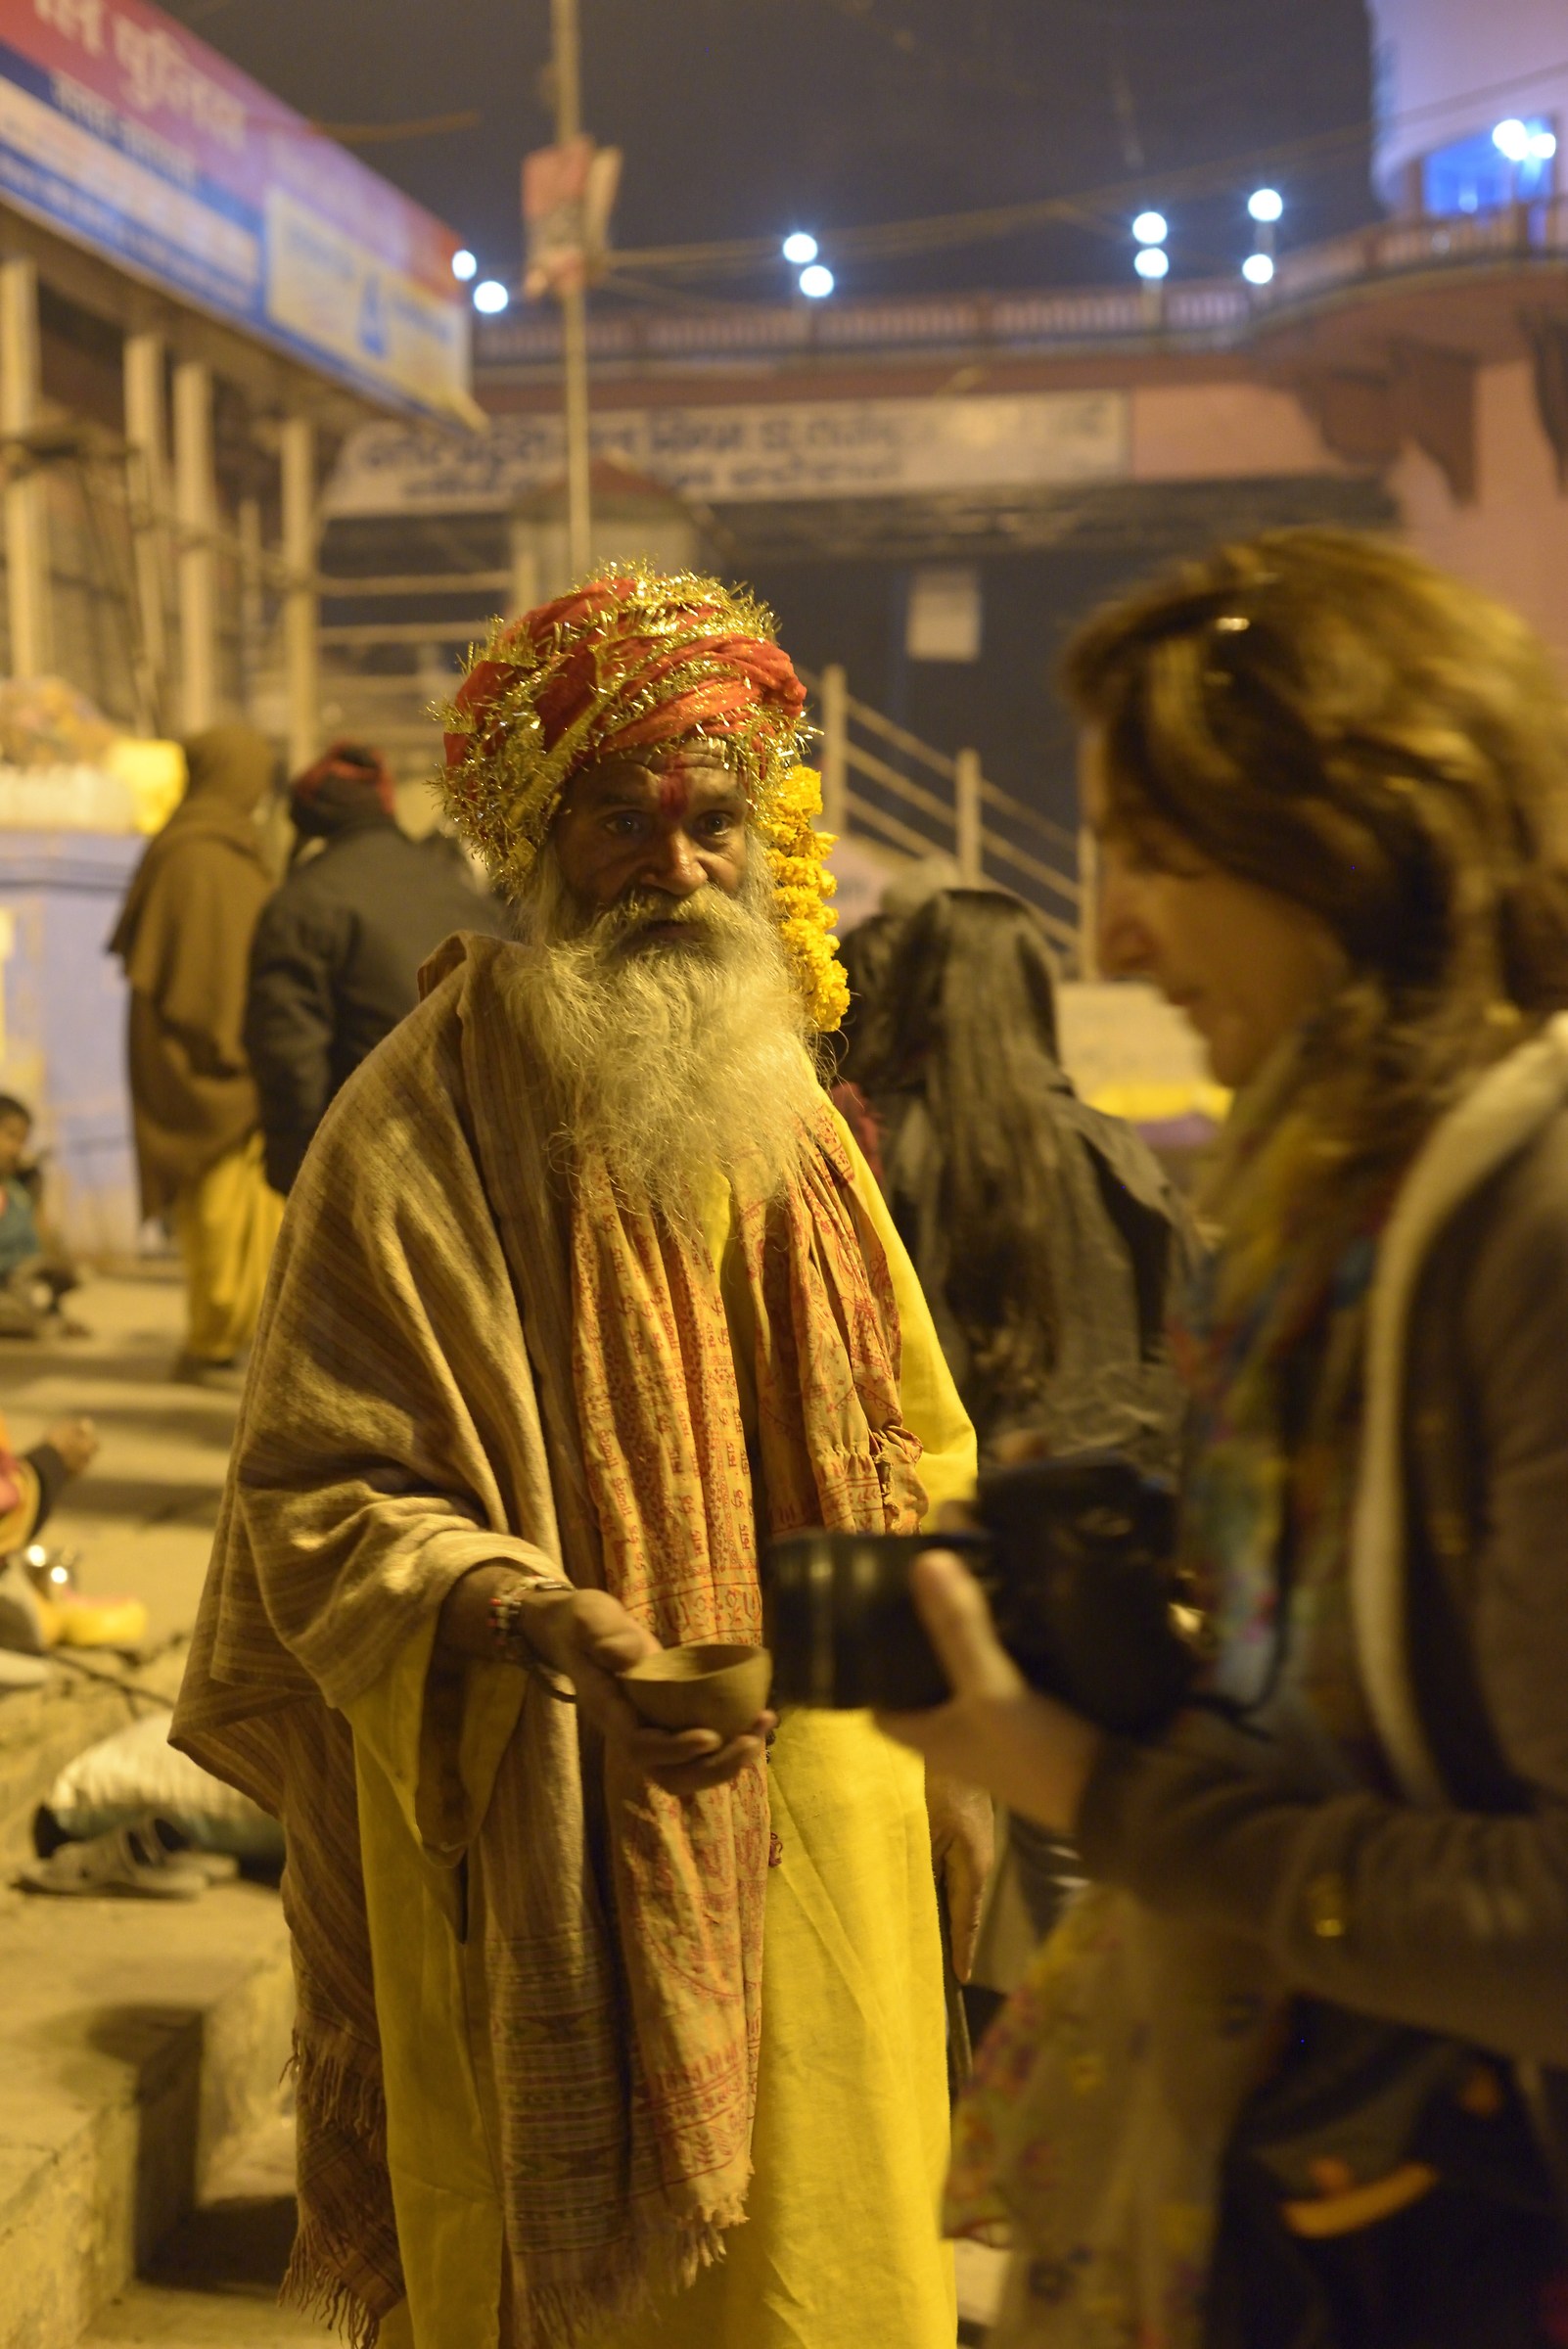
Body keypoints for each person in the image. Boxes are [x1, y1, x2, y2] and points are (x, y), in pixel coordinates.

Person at [172, 568, 987, 2349]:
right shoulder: (410, 1125)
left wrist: (827, 1643)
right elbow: (310, 1500)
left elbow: (928, 1452)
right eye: (624, 818)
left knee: (825, 2268)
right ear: (535, 834)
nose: (679, 867)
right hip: (526, 1797)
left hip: (824, 1796)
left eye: (712, 821)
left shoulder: (797, 1121)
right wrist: (544, 1622)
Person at [882, 528, 1568, 2349]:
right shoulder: (1365, 1204)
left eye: (1161, 861)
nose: (1108, 932)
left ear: (1355, 848)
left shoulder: (1529, 1218)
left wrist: (1104, 1798)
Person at [866, 887, 1189, 1471]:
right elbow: (1182, 1337)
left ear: (913, 990)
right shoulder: (1113, 1151)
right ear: (1036, 993)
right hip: (1109, 1501)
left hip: (939, 1511)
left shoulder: (877, 1143)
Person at [244, 741, 509, 1194]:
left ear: (306, 825)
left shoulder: (303, 903)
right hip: (479, 1153)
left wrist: (302, 1172)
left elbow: (290, 1057)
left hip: (368, 1160)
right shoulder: (457, 889)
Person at [110, 724, 283, 1385]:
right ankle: (213, 1341)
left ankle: (230, 1335)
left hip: (216, 1055)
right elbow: (205, 978)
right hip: (209, 1064)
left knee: (240, 1210)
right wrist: (238, 1047)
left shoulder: (207, 844)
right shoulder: (200, 855)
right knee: (216, 1208)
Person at [0, 1093, 82, 1336]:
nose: (17, 1149)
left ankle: (45, 1315)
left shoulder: (21, 1190)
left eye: (23, 1141)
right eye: (10, 1136)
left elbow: (43, 1238)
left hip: (25, 1284)